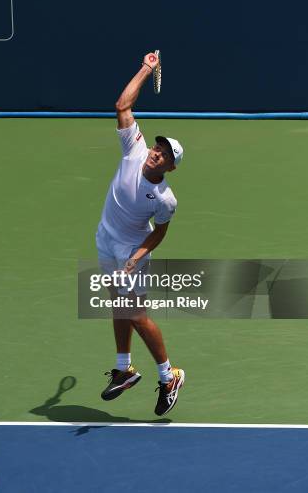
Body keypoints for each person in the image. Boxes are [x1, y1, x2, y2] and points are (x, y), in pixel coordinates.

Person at [96, 52, 185, 416]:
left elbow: (159, 234)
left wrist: (135, 258)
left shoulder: (165, 199)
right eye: (157, 147)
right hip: (105, 237)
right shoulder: (134, 148)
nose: (156, 154)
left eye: (164, 155)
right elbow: (122, 104)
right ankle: (124, 369)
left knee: (133, 311)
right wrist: (147, 68)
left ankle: (169, 376)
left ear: (171, 168)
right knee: (118, 304)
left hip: (133, 249)